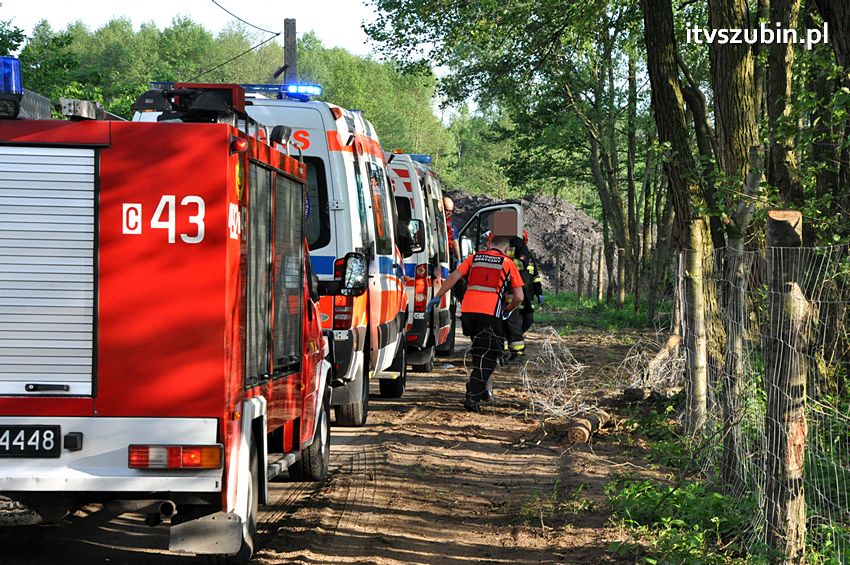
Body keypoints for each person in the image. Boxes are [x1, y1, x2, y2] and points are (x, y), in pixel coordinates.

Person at [427, 234, 524, 412]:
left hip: (469, 311)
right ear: (507, 249)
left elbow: (453, 277)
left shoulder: (474, 257)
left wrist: (438, 296)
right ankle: (473, 395)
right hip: (490, 313)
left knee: (480, 350)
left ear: (489, 243)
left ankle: (482, 389)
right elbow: (519, 297)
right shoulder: (508, 263)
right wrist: (508, 309)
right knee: (491, 354)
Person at [502, 230, 543, 362]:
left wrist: (539, 292)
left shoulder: (529, 258)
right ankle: (516, 352)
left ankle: (513, 343)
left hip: (527, 296)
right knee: (512, 324)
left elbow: (535, 277)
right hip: (512, 295)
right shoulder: (509, 259)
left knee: (527, 321)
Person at [443, 196, 461, 265]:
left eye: (451, 211)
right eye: (447, 211)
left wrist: (458, 259)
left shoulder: (450, 224)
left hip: (445, 257)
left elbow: (454, 242)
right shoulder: (431, 219)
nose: (450, 214)